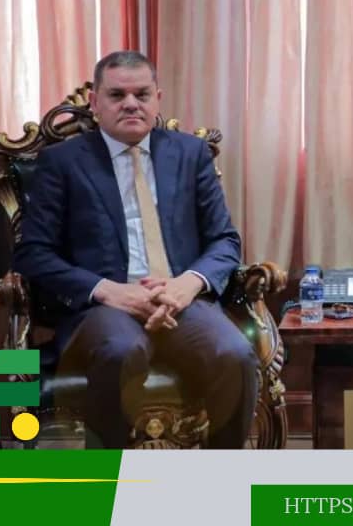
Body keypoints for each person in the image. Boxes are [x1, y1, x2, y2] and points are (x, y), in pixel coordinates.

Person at [13, 51, 258, 448]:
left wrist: (187, 285)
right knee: (120, 350)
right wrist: (109, 291)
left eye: (142, 94)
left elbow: (225, 240)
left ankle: (222, 475)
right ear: (95, 102)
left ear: (157, 99)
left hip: (181, 300)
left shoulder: (190, 154)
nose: (131, 104)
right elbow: (33, 253)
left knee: (235, 353)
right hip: (104, 308)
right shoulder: (61, 162)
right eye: (117, 95)